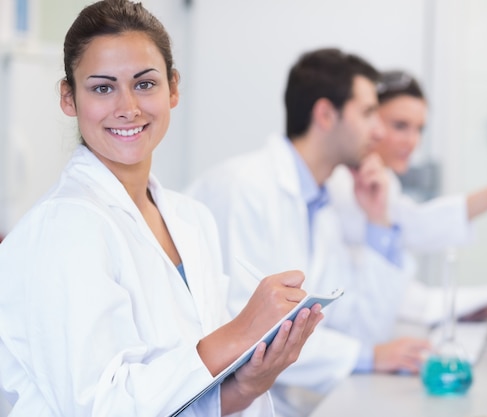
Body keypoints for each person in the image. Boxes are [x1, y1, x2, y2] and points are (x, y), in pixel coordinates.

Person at [0, 1, 322, 416]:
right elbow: (100, 406)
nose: (128, 106)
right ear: (69, 97)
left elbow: (188, 397)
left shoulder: (191, 220)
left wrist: (249, 382)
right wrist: (242, 331)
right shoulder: (63, 227)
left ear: (172, 88)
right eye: (102, 87)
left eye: (144, 84)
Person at [187, 49, 429, 416]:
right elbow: (248, 329)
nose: (378, 131)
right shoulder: (243, 189)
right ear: (325, 114)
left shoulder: (324, 201)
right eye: (367, 114)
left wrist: (379, 222)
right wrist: (364, 356)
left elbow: (358, 324)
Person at [326, 70, 487, 323]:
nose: (412, 141)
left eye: (419, 129)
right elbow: (411, 228)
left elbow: (394, 268)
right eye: (400, 126)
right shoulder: (340, 185)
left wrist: (459, 308)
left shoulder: (382, 181)